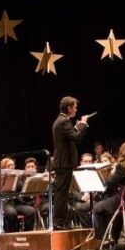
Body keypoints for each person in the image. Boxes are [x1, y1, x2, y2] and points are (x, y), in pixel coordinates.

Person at [52, 96, 90, 229]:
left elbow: (69, 136)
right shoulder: (63, 121)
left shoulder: (62, 121)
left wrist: (76, 126)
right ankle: (59, 223)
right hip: (64, 162)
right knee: (61, 195)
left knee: (62, 194)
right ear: (69, 108)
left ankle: (62, 222)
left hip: (63, 162)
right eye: (75, 107)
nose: (76, 109)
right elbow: (77, 138)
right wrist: (83, 125)